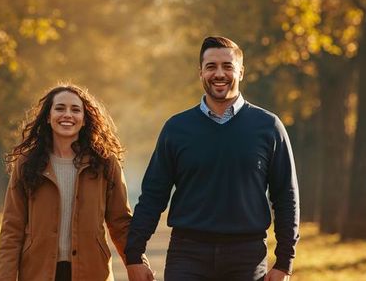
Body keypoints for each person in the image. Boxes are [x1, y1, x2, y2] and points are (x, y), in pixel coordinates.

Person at [125, 36, 299, 281]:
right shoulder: (176, 128)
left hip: (246, 257)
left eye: (227, 66)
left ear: (241, 72)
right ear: (201, 73)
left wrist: (284, 263)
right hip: (187, 255)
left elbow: (286, 197)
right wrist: (134, 254)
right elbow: (154, 195)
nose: (219, 73)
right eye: (211, 67)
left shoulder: (269, 127)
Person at [0, 84, 148, 281]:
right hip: (37, 273)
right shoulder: (27, 163)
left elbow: (120, 223)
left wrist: (137, 263)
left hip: (92, 273)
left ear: (84, 120)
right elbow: (12, 229)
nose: (67, 114)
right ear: (48, 117)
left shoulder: (105, 163)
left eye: (75, 110)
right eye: (60, 108)